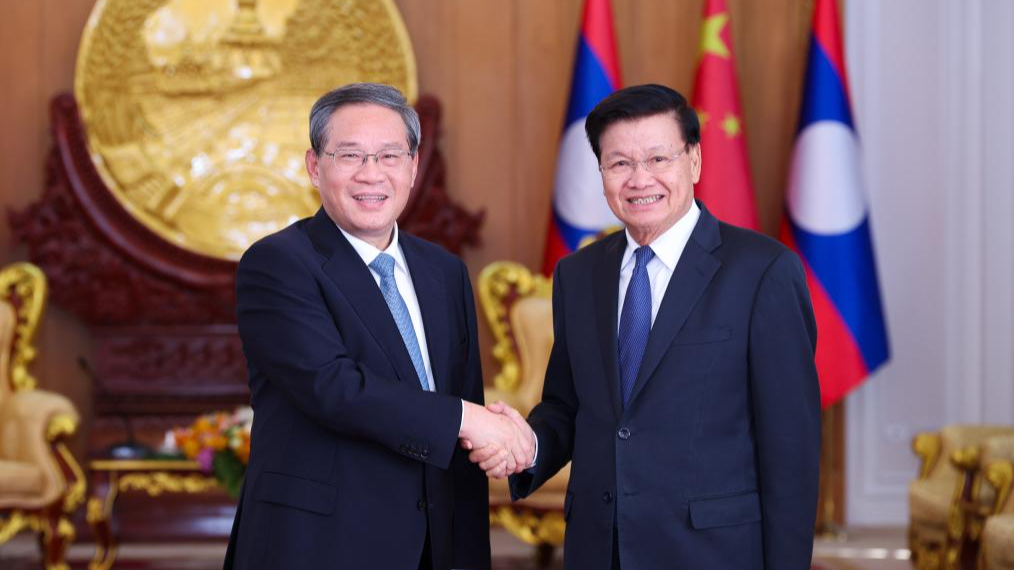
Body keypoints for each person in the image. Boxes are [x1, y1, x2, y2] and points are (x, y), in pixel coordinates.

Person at [472, 84, 821, 570]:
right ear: (601, 174)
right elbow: (567, 407)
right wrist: (528, 446)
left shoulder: (763, 271)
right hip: (599, 549)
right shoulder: (578, 275)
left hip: (712, 553)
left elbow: (791, 449)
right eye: (619, 164)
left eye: (658, 159)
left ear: (694, 161)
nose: (640, 179)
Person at [223, 83, 532, 570]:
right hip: (319, 545)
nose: (372, 173)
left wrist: (493, 443)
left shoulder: (444, 271)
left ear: (413, 167)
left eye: (390, 155)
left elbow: (457, 413)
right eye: (350, 155)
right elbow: (334, 387)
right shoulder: (278, 263)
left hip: (437, 545)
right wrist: (469, 419)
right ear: (313, 166)